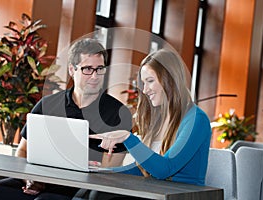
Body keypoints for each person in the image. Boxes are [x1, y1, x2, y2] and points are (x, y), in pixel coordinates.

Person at [0, 38, 132, 200]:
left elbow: (110, 172)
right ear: (71, 70)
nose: (95, 76)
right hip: (36, 181)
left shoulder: (118, 113)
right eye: (88, 69)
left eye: (100, 69)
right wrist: (28, 178)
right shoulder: (47, 105)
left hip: (79, 189)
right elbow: (23, 150)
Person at [90, 48, 212, 186]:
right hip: (154, 192)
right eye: (143, 83)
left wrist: (128, 138)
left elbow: (165, 169)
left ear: (170, 79)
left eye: (150, 81)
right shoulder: (159, 119)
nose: (145, 90)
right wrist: (101, 172)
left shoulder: (197, 120)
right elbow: (144, 170)